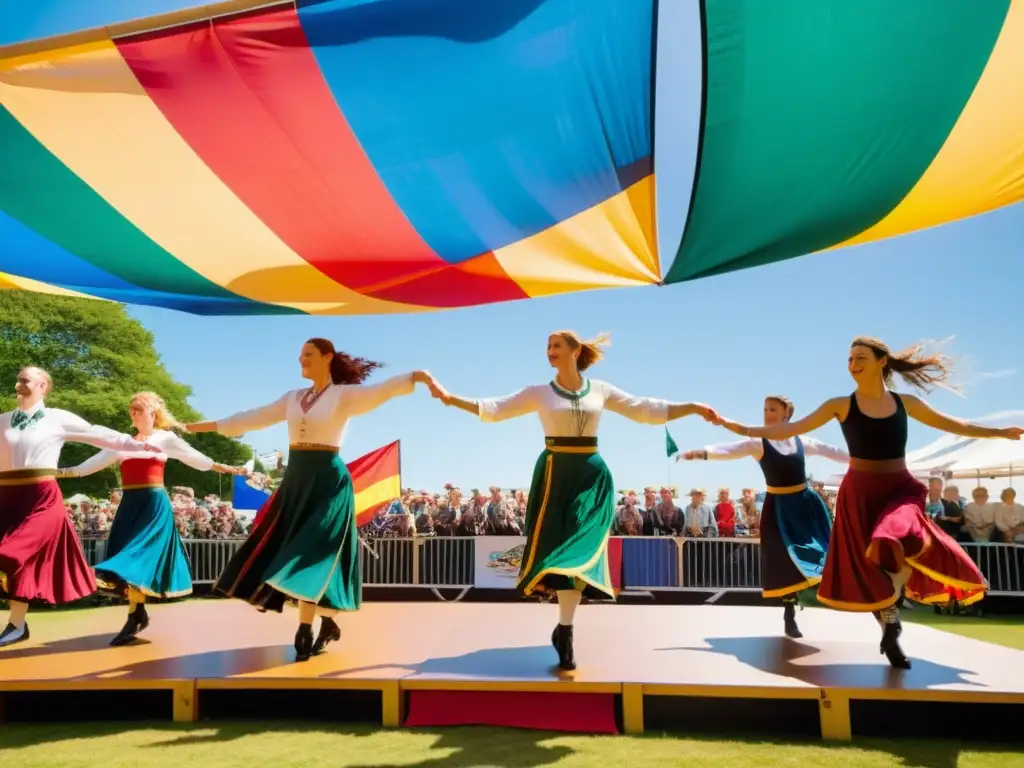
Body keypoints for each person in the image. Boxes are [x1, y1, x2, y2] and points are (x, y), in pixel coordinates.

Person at [711, 337, 1022, 668]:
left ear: (881, 360)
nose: (852, 364)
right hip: (858, 492)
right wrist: (735, 426)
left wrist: (999, 433)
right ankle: (890, 630)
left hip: (899, 487)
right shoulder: (840, 405)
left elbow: (954, 424)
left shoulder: (906, 403)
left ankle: (893, 602)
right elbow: (792, 428)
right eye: (848, 359)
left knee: (897, 537)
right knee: (868, 565)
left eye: (860, 357)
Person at [423, 331, 717, 670]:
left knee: (580, 550)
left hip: (591, 475)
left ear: (575, 351)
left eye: (556, 346)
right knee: (562, 560)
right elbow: (496, 407)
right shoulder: (539, 392)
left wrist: (692, 408)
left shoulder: (601, 390)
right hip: (554, 474)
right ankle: (565, 631)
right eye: (547, 347)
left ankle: (565, 630)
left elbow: (645, 409)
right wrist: (450, 399)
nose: (550, 352)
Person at [185, 339, 435, 661]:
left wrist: (413, 377)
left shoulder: (342, 396)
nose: (301, 359)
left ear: (327, 358)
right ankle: (326, 623)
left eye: (309, 354)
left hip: (328, 484)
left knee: (309, 553)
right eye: (301, 354)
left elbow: (380, 392)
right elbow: (251, 418)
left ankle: (304, 628)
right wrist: (196, 427)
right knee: (288, 550)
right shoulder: (293, 398)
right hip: (296, 483)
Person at [58, 392, 247, 646]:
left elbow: (195, 458)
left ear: (152, 412)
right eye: (131, 408)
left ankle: (116, 587)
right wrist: (54, 471)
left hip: (153, 503)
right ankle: (136, 614)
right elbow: (86, 467)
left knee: (139, 552)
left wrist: (224, 467)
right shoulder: (123, 442)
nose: (132, 412)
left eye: (138, 408)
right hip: (130, 504)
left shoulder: (165, 438)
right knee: (129, 551)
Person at [0, 367, 158, 648]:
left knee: (10, 553)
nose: (18, 383)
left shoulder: (57, 418)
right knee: (18, 563)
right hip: (7, 495)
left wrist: (135, 441)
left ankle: (117, 586)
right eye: (18, 379)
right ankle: (16, 624)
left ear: (42, 386)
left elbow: (96, 433)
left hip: (40, 497)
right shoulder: (3, 421)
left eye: (25, 379)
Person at [678, 395, 849, 638]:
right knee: (783, 559)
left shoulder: (801, 441)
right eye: (765, 409)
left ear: (786, 415)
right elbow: (730, 449)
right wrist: (698, 453)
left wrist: (860, 460)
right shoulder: (759, 442)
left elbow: (830, 451)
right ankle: (789, 612)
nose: (767, 414)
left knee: (821, 550)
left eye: (773, 410)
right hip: (778, 508)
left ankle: (829, 594)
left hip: (804, 506)